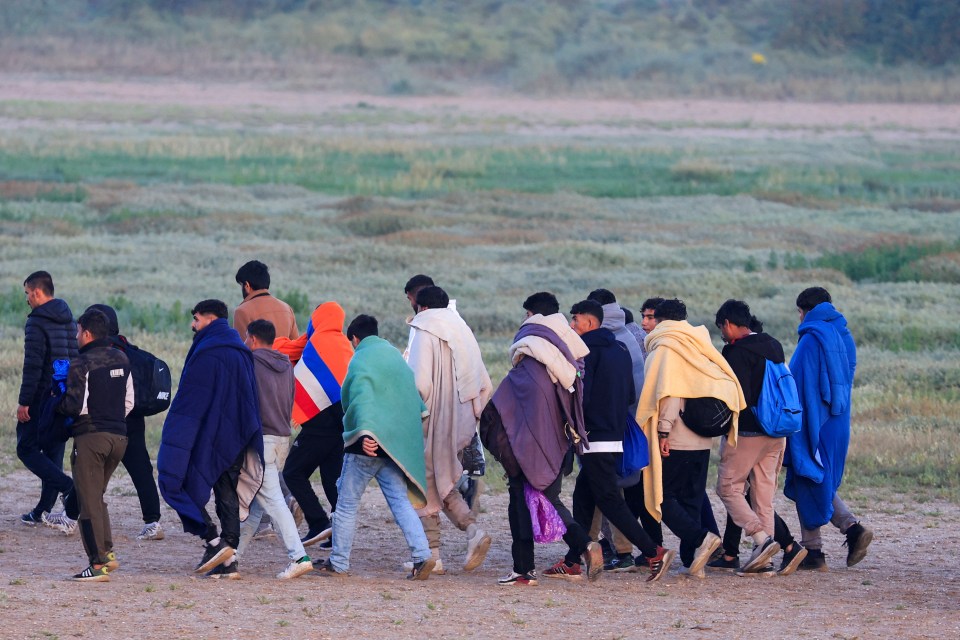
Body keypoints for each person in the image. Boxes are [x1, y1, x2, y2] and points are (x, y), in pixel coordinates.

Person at [544, 300, 674, 583]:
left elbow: (581, 397)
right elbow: (629, 395)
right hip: (615, 435)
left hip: (594, 438)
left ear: (589, 323)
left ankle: (654, 551)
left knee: (610, 499)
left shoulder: (586, 353)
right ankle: (573, 560)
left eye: (575, 320)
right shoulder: (621, 349)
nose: (572, 325)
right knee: (583, 496)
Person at [479, 292, 593, 586]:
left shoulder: (531, 362)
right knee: (548, 497)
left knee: (519, 502)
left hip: (526, 446)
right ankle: (584, 544)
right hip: (561, 443)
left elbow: (503, 405)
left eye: (526, 315)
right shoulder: (568, 358)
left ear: (533, 317)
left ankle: (523, 569)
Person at [318, 315, 435, 580]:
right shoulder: (394, 357)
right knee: (400, 502)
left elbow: (361, 399)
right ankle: (422, 555)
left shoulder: (361, 358)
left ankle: (338, 563)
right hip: (393, 446)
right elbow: (411, 400)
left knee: (346, 504)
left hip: (367, 445)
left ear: (355, 339)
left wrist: (364, 434)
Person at [636, 298, 745, 578]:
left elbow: (670, 392)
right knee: (693, 499)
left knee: (663, 498)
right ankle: (692, 561)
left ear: (661, 321)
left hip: (676, 437)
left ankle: (700, 539)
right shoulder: (699, 344)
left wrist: (662, 431)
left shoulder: (667, 348)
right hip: (702, 437)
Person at [157, 300, 264, 576]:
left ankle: (213, 539)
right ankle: (229, 561)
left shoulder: (208, 351)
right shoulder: (241, 351)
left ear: (210, 318)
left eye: (196, 319)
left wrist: (178, 438)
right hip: (237, 435)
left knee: (174, 481)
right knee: (227, 493)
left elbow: (191, 403)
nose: (193, 325)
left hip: (209, 436)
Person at [45, 304, 167, 543]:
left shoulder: (98, 354)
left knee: (89, 473)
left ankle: (72, 521)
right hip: (131, 418)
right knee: (141, 468)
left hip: (103, 423)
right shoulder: (128, 351)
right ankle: (152, 521)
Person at [784, 287, 873, 571]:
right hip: (838, 422)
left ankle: (823, 546)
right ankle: (835, 537)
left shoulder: (811, 339)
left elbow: (796, 382)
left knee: (807, 472)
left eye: (799, 312)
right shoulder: (845, 337)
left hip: (816, 421)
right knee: (818, 476)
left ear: (805, 310)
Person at [713, 299, 804, 575]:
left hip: (749, 431)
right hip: (778, 431)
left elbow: (737, 396)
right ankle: (764, 561)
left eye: (721, 328)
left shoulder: (736, 352)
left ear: (728, 323)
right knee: (763, 497)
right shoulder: (772, 345)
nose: (722, 334)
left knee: (728, 488)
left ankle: (761, 539)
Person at [407, 286, 493, 573]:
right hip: (462, 419)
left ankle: (432, 554)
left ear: (421, 307)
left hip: (434, 418)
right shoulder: (462, 330)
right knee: (441, 479)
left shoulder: (424, 329)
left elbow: (420, 383)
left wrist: (413, 412)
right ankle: (472, 532)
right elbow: (484, 382)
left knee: (424, 482)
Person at [57, 308, 133, 582]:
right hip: (120, 438)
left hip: (91, 439)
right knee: (97, 497)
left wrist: (58, 400)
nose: (76, 336)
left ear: (87, 333)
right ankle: (108, 554)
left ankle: (97, 564)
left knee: (88, 504)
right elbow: (129, 402)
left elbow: (75, 407)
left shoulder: (81, 362)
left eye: (78, 331)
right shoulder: (122, 358)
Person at [236, 320, 313, 580]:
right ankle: (232, 557)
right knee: (258, 505)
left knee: (273, 500)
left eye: (247, 338)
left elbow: (245, 403)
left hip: (262, 440)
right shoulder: (286, 366)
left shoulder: (250, 363)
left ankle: (298, 556)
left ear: (254, 339)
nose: (245, 343)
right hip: (282, 438)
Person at [275, 302, 354, 547]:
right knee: (332, 480)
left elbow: (286, 355)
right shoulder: (346, 345)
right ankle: (339, 536)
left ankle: (319, 523)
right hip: (343, 425)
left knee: (292, 472)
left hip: (318, 423)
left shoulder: (315, 342)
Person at [586, 288, 646, 571]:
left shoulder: (598, 345)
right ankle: (599, 547)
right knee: (605, 489)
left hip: (602, 429)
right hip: (626, 425)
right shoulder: (628, 336)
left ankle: (616, 550)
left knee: (605, 491)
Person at [16, 271, 77, 525]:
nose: (27, 299)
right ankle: (43, 510)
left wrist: (24, 402)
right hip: (63, 394)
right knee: (53, 450)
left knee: (26, 448)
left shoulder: (37, 321)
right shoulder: (68, 317)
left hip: (41, 396)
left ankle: (68, 487)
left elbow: (33, 365)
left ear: (38, 292)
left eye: (28, 294)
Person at [233, 260, 299, 345]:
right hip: (286, 358)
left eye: (241, 285)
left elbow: (242, 351)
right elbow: (296, 345)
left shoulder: (242, 311)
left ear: (247, 285)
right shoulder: (286, 308)